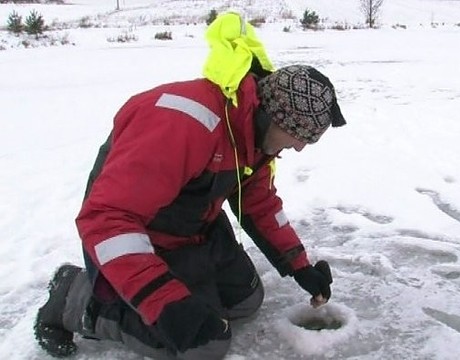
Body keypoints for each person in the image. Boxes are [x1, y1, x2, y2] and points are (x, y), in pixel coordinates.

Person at [32, 16, 346, 358]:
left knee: (246, 301)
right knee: (203, 344)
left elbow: (259, 204)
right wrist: (165, 304)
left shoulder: (252, 133)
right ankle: (73, 298)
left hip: (196, 230)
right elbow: (106, 219)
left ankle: (189, 287)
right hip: (141, 238)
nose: (299, 147)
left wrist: (299, 265)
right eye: (298, 136)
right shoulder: (185, 123)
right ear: (274, 116)